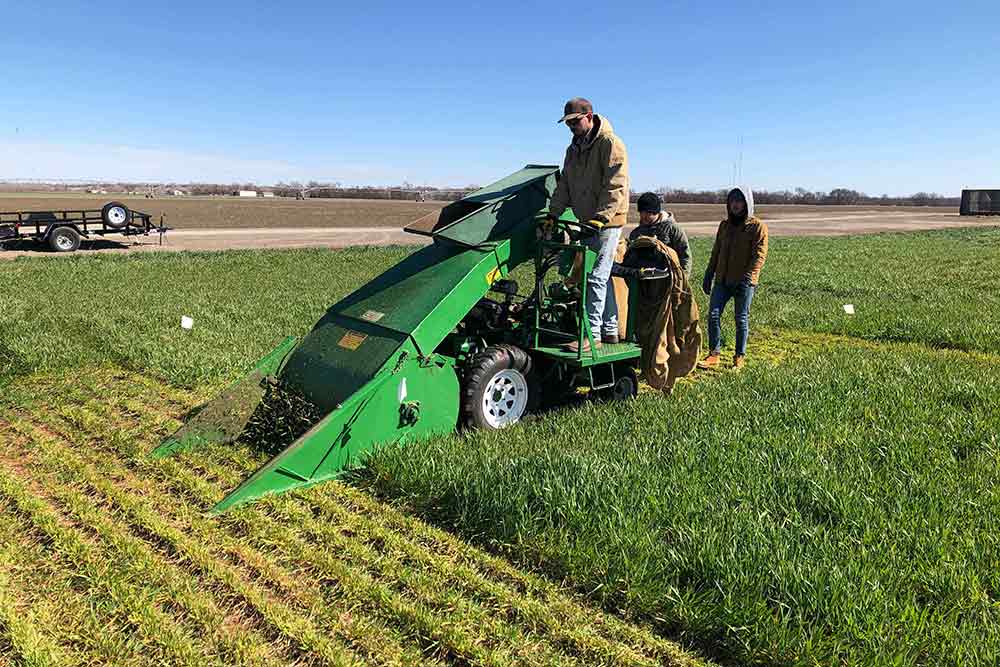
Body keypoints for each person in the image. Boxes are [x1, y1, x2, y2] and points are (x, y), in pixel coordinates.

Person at [547, 97, 630, 351]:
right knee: (600, 278)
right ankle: (610, 329)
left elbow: (616, 185)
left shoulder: (610, 143)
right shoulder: (573, 150)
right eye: (568, 123)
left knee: (595, 276)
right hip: (588, 222)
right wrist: (554, 213)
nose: (571, 127)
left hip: (608, 222)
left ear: (590, 116)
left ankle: (592, 335)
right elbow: (565, 186)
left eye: (575, 121)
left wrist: (601, 218)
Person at [699, 186, 768, 369]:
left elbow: (759, 256)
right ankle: (714, 354)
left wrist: (747, 279)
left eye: (739, 200)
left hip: (744, 283)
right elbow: (716, 252)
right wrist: (708, 274)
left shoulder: (757, 227)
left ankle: (739, 356)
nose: (735, 204)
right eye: (732, 201)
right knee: (713, 315)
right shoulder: (724, 226)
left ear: (747, 203)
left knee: (741, 319)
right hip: (722, 280)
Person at [631, 192, 691, 276]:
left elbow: (685, 256)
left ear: (656, 212)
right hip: (642, 282)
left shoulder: (672, 229)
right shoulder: (636, 233)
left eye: (648, 213)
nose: (643, 216)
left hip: (666, 280)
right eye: (641, 212)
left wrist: (683, 279)